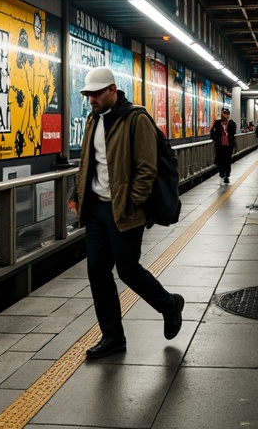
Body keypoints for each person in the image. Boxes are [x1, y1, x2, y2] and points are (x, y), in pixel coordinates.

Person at [73, 66, 185, 359]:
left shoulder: (136, 119)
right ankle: (113, 336)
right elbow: (88, 161)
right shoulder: (92, 120)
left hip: (124, 208)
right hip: (97, 208)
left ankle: (169, 304)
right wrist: (79, 194)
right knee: (97, 271)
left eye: (96, 94)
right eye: (88, 95)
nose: (92, 100)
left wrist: (132, 202)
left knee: (128, 270)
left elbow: (147, 168)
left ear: (112, 90)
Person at [211, 107, 237, 182]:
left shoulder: (231, 123)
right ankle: (221, 172)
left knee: (227, 161)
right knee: (220, 160)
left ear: (228, 115)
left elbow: (233, 133)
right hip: (220, 145)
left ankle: (227, 175)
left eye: (226, 113)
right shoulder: (217, 123)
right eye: (224, 113)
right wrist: (215, 138)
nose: (225, 115)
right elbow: (212, 132)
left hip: (228, 146)